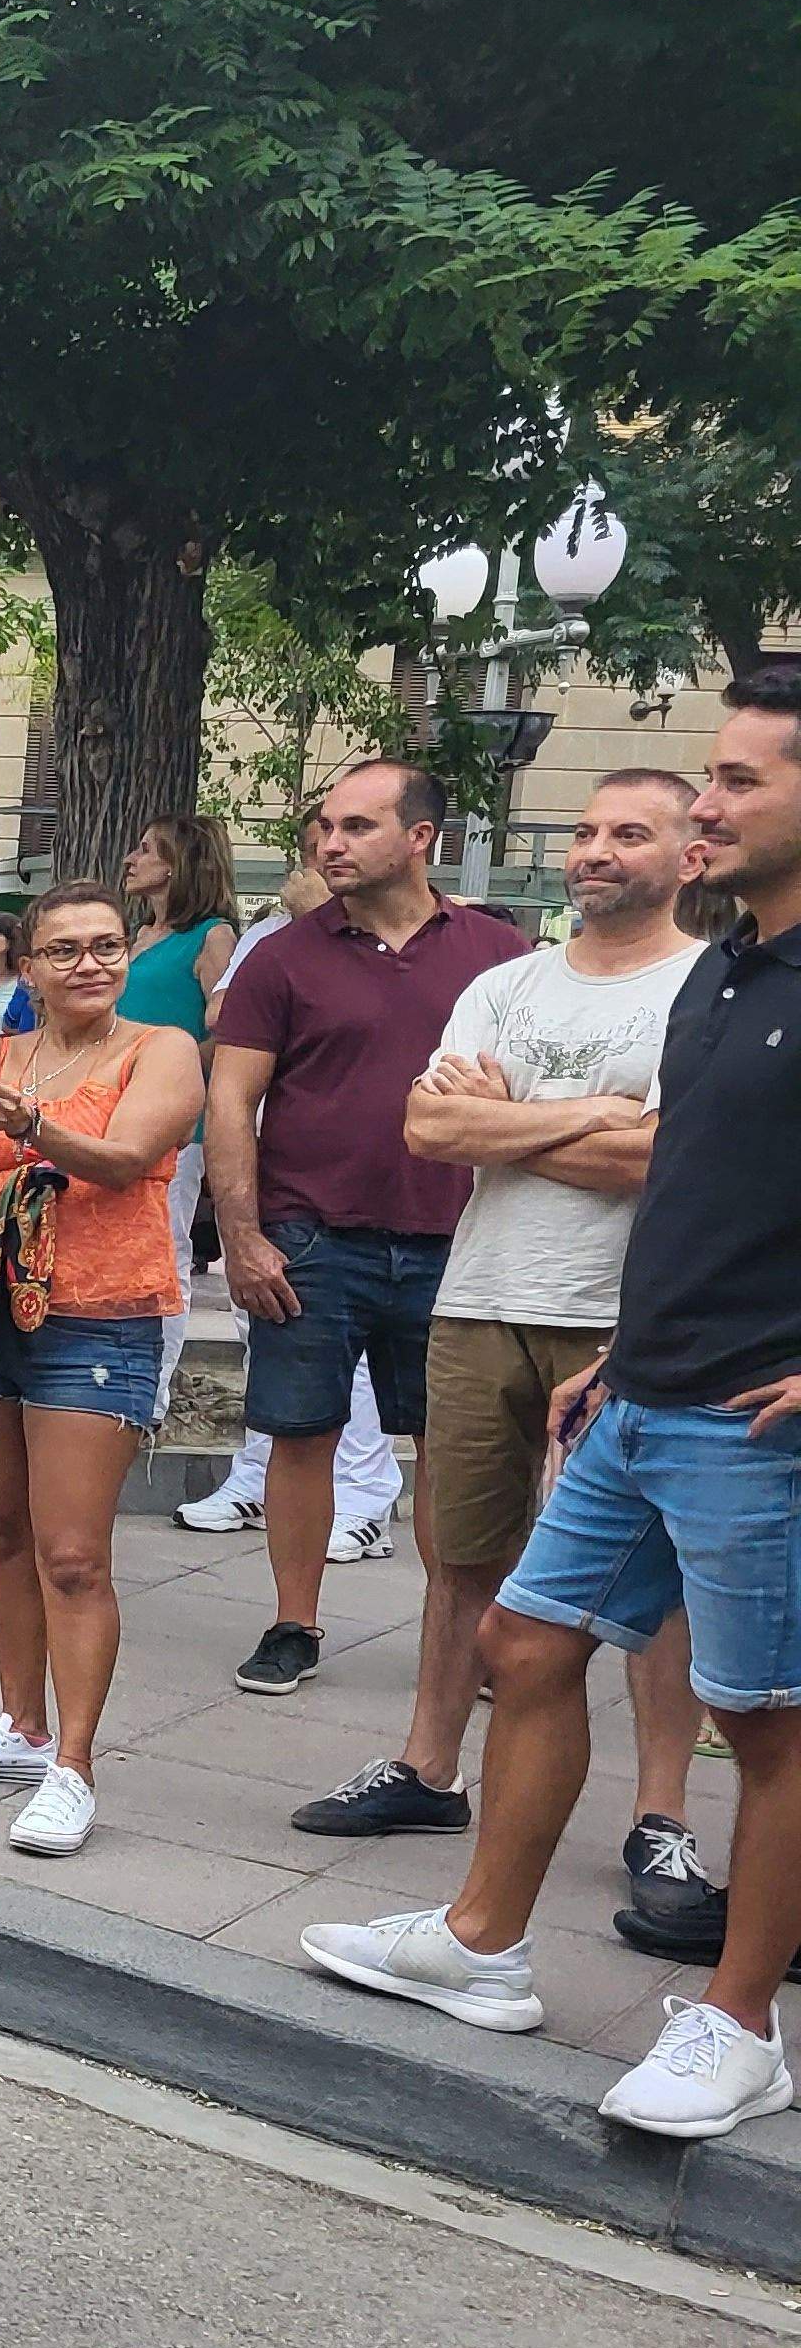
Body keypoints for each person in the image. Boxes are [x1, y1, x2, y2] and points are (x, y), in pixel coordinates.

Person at [306, 674, 801, 2139]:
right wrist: (627, 1346)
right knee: (522, 1642)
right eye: (707, 779)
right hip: (642, 1383)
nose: (706, 807)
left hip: (754, 1416)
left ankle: (739, 2023)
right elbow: (695, 1187)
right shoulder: (730, 972)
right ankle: (480, 1948)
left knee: (765, 1722)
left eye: (738, 783)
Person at [281, 772, 712, 1864]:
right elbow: (428, 1129)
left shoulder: (710, 988)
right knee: (462, 1555)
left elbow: (670, 1157)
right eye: (582, 830)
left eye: (628, 833)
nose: (594, 851)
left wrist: (506, 1119)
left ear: (686, 855)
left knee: (652, 1575)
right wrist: (588, 1117)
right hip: (477, 1299)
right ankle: (428, 1769)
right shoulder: (507, 986)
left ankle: (657, 1819)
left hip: (629, 1318)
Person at [208, 761, 528, 1695]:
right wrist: (242, 1235)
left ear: (420, 838)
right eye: (324, 828)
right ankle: (292, 1623)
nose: (329, 845)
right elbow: (231, 1101)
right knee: (299, 1433)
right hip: (309, 1236)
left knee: (451, 1445)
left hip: (458, 1240)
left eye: (355, 826)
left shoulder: (499, 951)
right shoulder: (282, 956)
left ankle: (461, 1636)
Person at [0, 881, 205, 1857]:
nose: (91, 963)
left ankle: (72, 1766)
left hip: (99, 1317)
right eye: (66, 949)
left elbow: (122, 1161)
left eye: (107, 945)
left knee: (73, 1555)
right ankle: (19, 1729)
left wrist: (28, 1127)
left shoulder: (160, 1050)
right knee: (0, 1529)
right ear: (24, 966)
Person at [177, 864, 405, 1556]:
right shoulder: (274, 935)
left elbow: (388, 1019)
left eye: (348, 838)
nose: (324, 859)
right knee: (269, 1336)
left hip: (368, 1183)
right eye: (313, 845)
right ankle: (254, 1475)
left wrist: (324, 922)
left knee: (352, 1352)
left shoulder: (408, 938)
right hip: (278, 1168)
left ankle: (365, 1497)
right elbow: (223, 1014)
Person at [117, 814, 243, 1419]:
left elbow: (231, 1034)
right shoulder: (136, 934)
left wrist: (169, 1068)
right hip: (109, 1110)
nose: (131, 858)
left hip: (170, 1119)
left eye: (146, 849)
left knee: (163, 1247)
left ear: (176, 865)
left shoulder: (213, 937)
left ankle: (155, 1389)